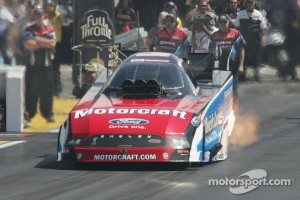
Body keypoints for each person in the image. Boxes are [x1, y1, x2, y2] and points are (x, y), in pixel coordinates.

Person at [21, 6, 57, 123]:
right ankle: (30, 114)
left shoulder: (50, 30)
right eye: (36, 16)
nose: (38, 18)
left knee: (47, 92)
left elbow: (52, 43)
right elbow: (29, 44)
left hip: (46, 66)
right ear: (34, 17)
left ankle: (48, 114)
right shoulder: (28, 30)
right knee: (31, 92)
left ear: (44, 16)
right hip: (32, 66)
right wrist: (43, 42)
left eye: (40, 16)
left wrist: (37, 39)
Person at [210, 14, 246, 109]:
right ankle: (220, 110)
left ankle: (234, 110)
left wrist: (241, 65)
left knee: (233, 90)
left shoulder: (236, 33)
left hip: (233, 68)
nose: (222, 24)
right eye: (221, 22)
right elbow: (210, 52)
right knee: (218, 91)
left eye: (224, 22)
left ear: (228, 23)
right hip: (218, 69)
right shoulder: (214, 36)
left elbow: (242, 49)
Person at [234, 0, 267, 81]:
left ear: (254, 4)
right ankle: (242, 76)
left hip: (255, 40)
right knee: (243, 58)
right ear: (246, 4)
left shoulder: (258, 14)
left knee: (256, 58)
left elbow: (263, 28)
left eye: (251, 3)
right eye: (248, 3)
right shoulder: (241, 13)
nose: (250, 5)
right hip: (244, 39)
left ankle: (256, 75)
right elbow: (236, 27)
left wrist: (263, 39)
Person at [45, 0, 64, 96]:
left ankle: (57, 87)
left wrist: (56, 15)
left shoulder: (58, 16)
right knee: (47, 66)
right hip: (46, 43)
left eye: (51, 6)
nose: (49, 8)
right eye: (48, 6)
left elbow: (62, 25)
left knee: (56, 67)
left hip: (57, 43)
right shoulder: (43, 17)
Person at [0, 0, 15, 65]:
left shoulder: (5, 12)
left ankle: (8, 68)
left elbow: (13, 23)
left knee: (7, 55)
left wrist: (10, 33)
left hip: (3, 37)